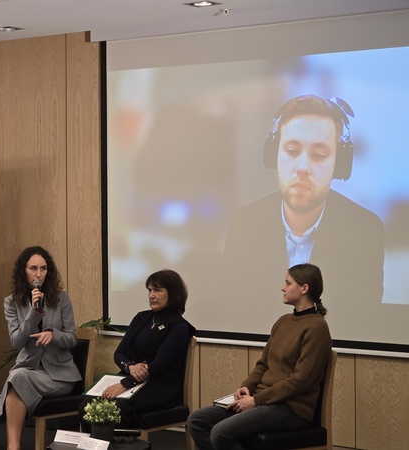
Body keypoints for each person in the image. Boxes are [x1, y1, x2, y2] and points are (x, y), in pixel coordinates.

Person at [222, 94, 384, 317]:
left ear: (339, 163)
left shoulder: (365, 230)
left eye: (319, 155)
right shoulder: (244, 223)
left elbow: (364, 316)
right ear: (274, 155)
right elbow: (233, 308)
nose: (303, 168)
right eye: (291, 151)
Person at [187, 263, 332, 450]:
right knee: (197, 421)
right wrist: (247, 387)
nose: (283, 288)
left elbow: (300, 380)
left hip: (291, 408)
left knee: (220, 433)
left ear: (304, 288)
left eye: (288, 283)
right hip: (265, 400)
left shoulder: (317, 327)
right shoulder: (283, 321)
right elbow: (263, 364)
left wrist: (256, 400)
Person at [79, 269, 196, 430]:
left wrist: (124, 384)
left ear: (173, 293)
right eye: (150, 290)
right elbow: (119, 353)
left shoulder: (179, 327)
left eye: (157, 290)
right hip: (131, 377)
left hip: (160, 385)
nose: (151, 295)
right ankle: (95, 443)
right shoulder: (141, 317)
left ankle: (119, 444)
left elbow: (159, 365)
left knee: (117, 409)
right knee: (86, 404)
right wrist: (130, 367)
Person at [0, 246, 81, 450]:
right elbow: (16, 341)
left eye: (43, 268)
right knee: (18, 378)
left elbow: (72, 339)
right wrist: (34, 312)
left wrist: (54, 335)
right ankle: (14, 446)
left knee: (16, 379)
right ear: (23, 271)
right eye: (33, 268)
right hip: (30, 369)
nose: (38, 274)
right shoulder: (12, 302)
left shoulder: (61, 298)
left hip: (60, 375)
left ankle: (13, 446)